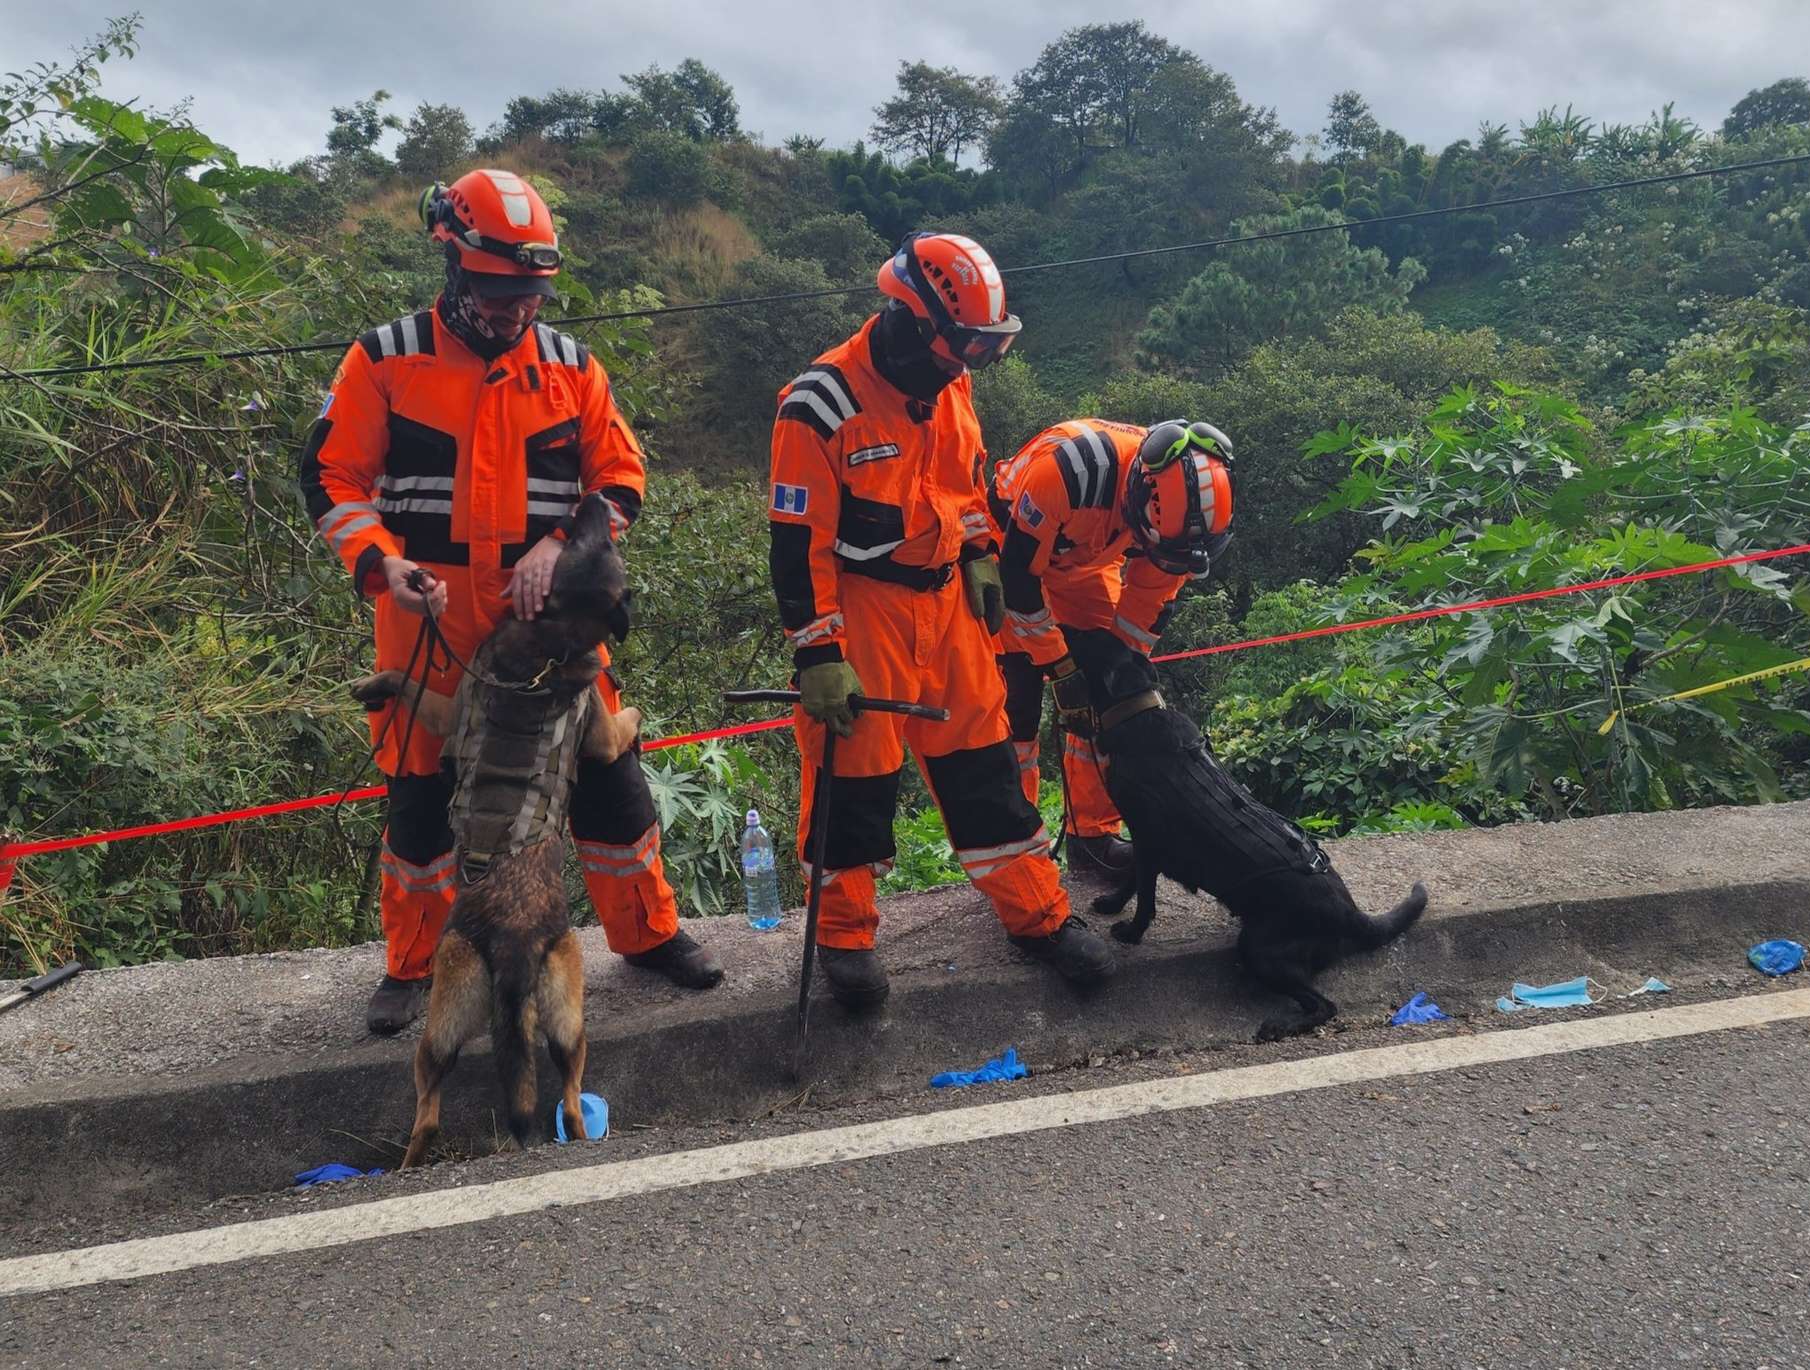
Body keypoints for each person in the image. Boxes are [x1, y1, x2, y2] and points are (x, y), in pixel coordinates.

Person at [299, 168, 721, 1034]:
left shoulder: (570, 368)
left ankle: (647, 935)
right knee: (423, 802)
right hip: (432, 623)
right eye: (498, 292)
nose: (515, 310)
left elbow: (621, 480)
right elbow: (332, 478)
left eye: (530, 293)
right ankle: (412, 965)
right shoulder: (385, 359)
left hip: (554, 630)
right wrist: (383, 563)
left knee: (609, 782)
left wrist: (564, 543)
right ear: (452, 263)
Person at [766, 230, 1114, 1009]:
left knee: (984, 762)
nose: (971, 362)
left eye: (985, 349)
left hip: (947, 600)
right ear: (912, 317)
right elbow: (796, 544)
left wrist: (983, 547)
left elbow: (962, 480)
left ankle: (1038, 918)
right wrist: (817, 651)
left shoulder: (947, 380)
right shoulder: (819, 404)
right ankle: (845, 938)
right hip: (862, 606)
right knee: (852, 776)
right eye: (965, 345)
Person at [990, 418, 1237, 876]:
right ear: (1140, 498)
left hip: (1084, 562)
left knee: (1113, 700)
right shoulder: (1067, 472)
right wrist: (1060, 669)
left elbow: (1144, 606)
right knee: (1016, 708)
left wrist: (1112, 677)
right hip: (1007, 550)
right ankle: (1020, 848)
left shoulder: (1180, 530)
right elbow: (1018, 582)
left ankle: (1092, 835)